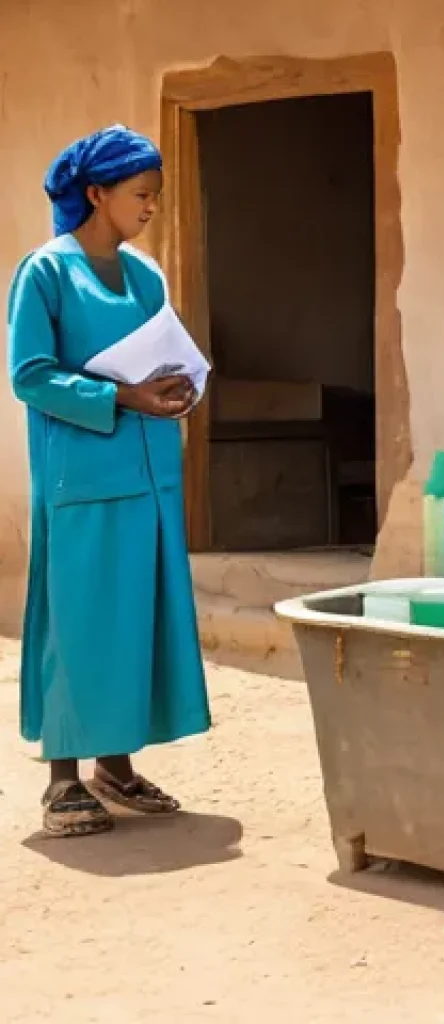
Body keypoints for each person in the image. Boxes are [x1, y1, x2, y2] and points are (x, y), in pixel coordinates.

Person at [7, 125, 212, 838]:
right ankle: (63, 778)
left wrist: (175, 388)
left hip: (149, 475)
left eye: (156, 195)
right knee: (79, 618)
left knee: (134, 618)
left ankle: (116, 768)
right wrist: (124, 397)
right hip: (82, 479)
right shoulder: (45, 273)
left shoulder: (147, 276)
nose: (152, 207)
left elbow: (159, 356)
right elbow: (30, 376)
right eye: (141, 194)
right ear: (96, 194)